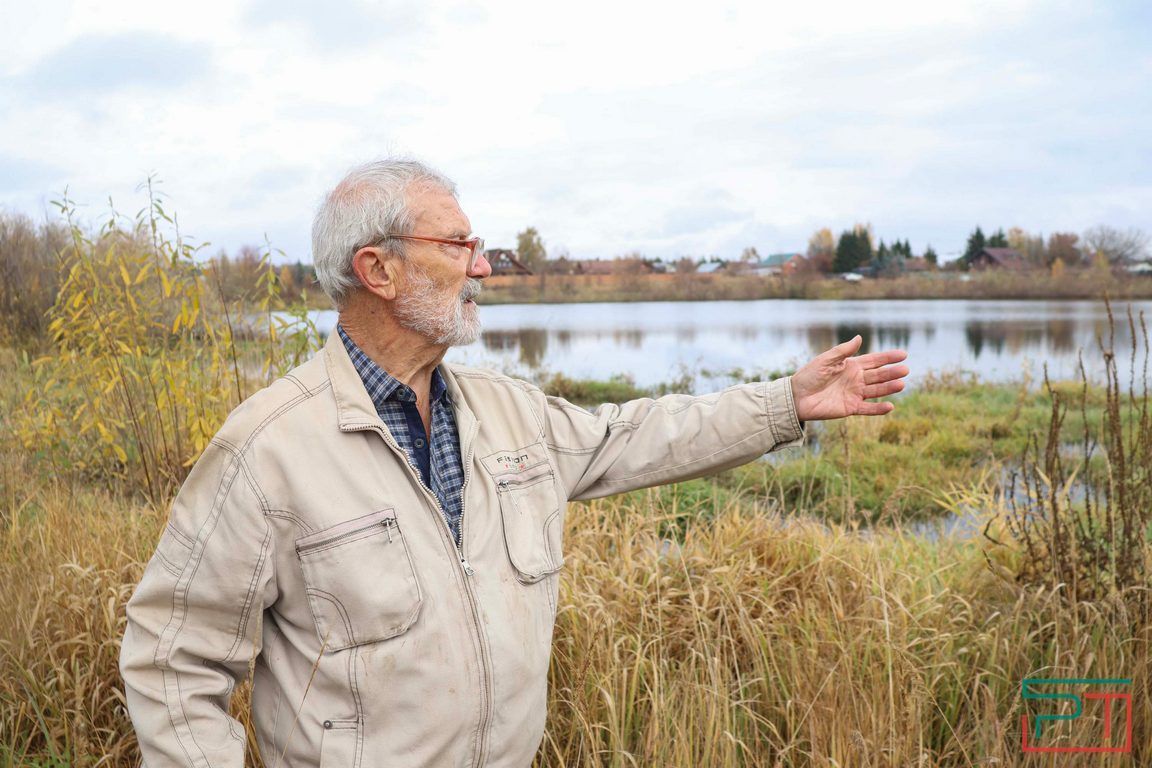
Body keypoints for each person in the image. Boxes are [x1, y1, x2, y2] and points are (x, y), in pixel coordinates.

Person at [120, 158, 909, 767]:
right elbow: (171, 656)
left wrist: (788, 403)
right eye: (458, 245)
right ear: (378, 270)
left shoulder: (509, 414)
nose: (484, 266)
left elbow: (639, 434)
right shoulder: (268, 449)